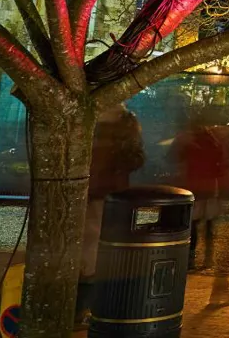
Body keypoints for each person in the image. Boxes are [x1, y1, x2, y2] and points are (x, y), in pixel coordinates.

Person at [78, 104, 145, 324]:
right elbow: (135, 160)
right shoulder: (123, 131)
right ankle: (85, 306)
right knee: (96, 249)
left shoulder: (91, 129)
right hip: (109, 194)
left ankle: (81, 305)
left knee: (88, 248)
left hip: (90, 192)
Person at [171, 110, 229, 307]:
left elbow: (175, 157)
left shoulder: (186, 138)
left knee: (194, 224)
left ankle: (192, 258)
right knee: (208, 224)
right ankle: (208, 258)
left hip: (193, 185)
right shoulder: (211, 138)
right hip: (208, 186)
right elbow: (219, 161)